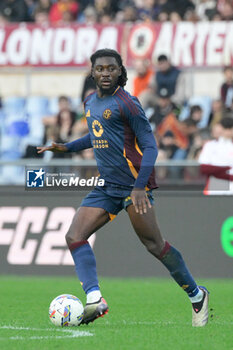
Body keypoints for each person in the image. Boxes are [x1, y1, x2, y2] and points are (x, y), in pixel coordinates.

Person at [37, 49, 209, 327]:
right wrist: (65, 147)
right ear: (92, 72)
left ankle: (196, 294)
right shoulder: (90, 101)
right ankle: (94, 298)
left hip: (133, 186)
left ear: (120, 72)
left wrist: (140, 186)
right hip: (107, 186)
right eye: (100, 69)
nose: (105, 73)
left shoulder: (128, 103)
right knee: (74, 236)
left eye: (111, 68)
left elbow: (151, 146)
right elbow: (96, 134)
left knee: (154, 245)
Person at [198, 117, 233, 195]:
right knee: (217, 204)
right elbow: (204, 168)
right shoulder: (211, 145)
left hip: (223, 180)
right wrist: (226, 169)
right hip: (217, 182)